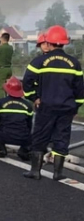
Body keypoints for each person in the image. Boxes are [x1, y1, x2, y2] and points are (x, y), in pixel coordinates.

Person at [22, 25, 84, 181]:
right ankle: (58, 173)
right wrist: (75, 106)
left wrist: (34, 97)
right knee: (61, 139)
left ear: (48, 42)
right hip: (66, 108)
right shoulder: (74, 63)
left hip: (46, 107)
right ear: (64, 43)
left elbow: (27, 82)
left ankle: (35, 171)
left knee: (40, 137)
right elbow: (80, 90)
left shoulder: (39, 61)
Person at [0, 76, 32, 161]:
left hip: (4, 135)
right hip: (22, 137)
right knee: (33, 138)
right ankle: (23, 150)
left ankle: (2, 148)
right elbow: (30, 124)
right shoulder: (28, 105)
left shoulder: (0, 103)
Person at [0, 32, 14, 98]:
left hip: (2, 69)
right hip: (9, 69)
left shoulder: (0, 48)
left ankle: (1, 104)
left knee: (1, 88)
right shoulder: (11, 48)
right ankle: (8, 100)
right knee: (8, 87)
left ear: (2, 38)